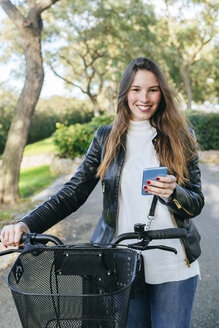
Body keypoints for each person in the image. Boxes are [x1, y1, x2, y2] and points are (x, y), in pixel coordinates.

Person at [1, 57, 204, 328]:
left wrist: (174, 193)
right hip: (123, 264)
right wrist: (25, 223)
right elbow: (72, 193)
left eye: (152, 89)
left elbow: (196, 201)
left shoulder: (181, 136)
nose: (144, 98)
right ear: (124, 93)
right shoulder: (106, 138)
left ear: (162, 93)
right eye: (136, 89)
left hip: (174, 261)